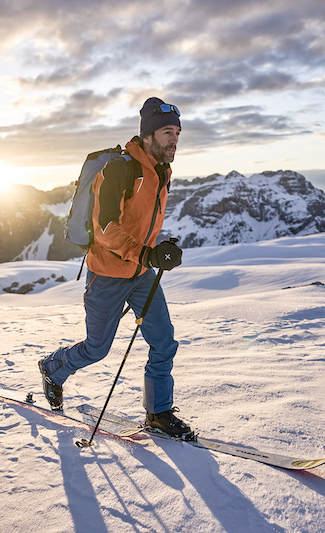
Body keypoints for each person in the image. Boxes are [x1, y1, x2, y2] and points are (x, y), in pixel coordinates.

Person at [38, 97, 194, 440]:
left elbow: (141, 223)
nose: (174, 140)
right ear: (148, 135)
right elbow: (106, 227)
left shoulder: (162, 171)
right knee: (96, 348)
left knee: (164, 341)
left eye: (178, 133)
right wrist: (148, 255)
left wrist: (158, 252)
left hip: (140, 274)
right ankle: (53, 368)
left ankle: (159, 413)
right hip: (107, 274)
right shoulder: (119, 170)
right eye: (167, 132)